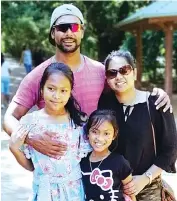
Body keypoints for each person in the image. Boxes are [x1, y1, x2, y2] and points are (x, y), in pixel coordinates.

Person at [3, 3, 172, 160]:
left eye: (74, 27)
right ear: (53, 33)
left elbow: (126, 94)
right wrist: (31, 139)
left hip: (97, 167)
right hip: (59, 168)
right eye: (62, 28)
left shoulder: (100, 71)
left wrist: (155, 95)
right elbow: (9, 118)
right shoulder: (38, 76)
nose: (69, 32)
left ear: (82, 32)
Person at [92, 50, 177, 201]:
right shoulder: (105, 104)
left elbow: (170, 149)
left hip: (146, 187)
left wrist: (145, 178)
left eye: (124, 70)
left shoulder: (155, 103)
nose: (118, 76)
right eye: (112, 73)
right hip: (113, 190)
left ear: (135, 72)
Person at [9, 62, 92, 201]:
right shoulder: (30, 122)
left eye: (64, 90)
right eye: (51, 89)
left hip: (74, 198)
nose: (57, 96)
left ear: (71, 91)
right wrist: (15, 149)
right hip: (47, 198)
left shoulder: (78, 122)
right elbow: (31, 165)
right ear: (42, 89)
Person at [80, 109, 140, 201]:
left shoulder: (119, 162)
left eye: (106, 133)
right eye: (95, 131)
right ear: (87, 133)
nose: (100, 138)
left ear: (114, 135)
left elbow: (130, 191)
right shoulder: (82, 162)